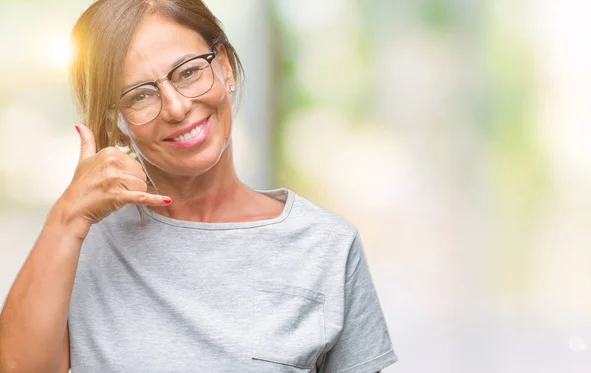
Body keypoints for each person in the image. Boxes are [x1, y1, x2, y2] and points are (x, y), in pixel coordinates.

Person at [0, 1, 398, 372]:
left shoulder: (326, 246)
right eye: (140, 95)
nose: (176, 108)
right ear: (115, 120)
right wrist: (67, 216)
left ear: (223, 66)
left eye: (188, 71)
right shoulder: (79, 244)